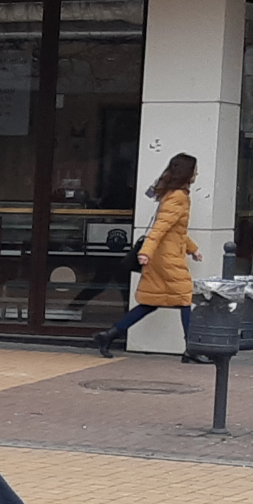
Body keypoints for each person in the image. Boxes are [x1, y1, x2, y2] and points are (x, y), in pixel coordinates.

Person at [95, 153, 203, 360]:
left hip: (163, 255)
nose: (197, 173)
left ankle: (109, 335)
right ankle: (192, 349)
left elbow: (175, 230)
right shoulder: (178, 196)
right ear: (187, 172)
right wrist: (145, 252)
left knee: (151, 301)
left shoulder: (173, 195)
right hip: (167, 258)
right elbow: (160, 228)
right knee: (184, 297)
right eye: (195, 169)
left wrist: (192, 249)